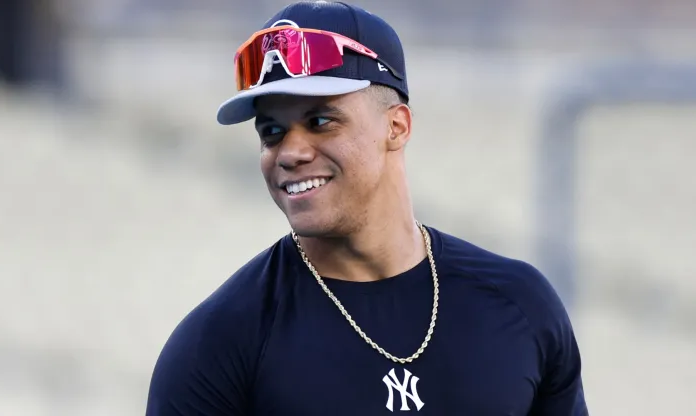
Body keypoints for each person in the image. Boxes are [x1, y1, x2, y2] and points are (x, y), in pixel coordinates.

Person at [145, 1, 588, 414]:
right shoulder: (218, 344)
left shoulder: (520, 306)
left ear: (396, 126)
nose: (290, 152)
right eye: (272, 132)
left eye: (320, 121)